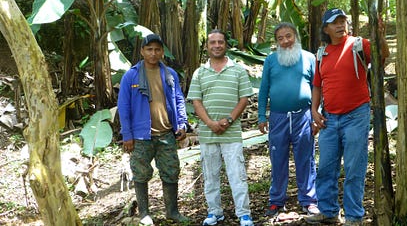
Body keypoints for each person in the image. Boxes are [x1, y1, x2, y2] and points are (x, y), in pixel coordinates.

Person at [306, 8, 388, 225]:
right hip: (329, 118)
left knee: (354, 167)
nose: (340, 25)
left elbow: (383, 57)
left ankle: (353, 216)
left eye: (343, 21)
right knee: (325, 167)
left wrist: (380, 35)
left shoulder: (359, 45)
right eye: (335, 22)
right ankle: (329, 211)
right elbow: (317, 85)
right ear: (326, 28)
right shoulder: (321, 54)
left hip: (356, 115)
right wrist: (314, 111)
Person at [117, 33, 189, 225]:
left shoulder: (169, 74)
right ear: (142, 51)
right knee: (140, 173)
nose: (153, 53)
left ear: (162, 52)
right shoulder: (131, 75)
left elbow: (179, 99)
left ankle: (172, 212)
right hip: (141, 136)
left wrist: (182, 123)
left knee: (171, 171)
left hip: (166, 133)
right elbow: (123, 108)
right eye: (149, 49)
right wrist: (127, 135)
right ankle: (144, 214)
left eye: (157, 49)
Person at [187, 29, 254, 226]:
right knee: (210, 175)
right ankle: (214, 212)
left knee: (237, 175)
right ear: (207, 47)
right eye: (213, 42)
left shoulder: (238, 70)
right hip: (208, 134)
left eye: (220, 42)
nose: (217, 45)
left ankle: (244, 214)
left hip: (231, 132)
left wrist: (229, 120)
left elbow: (244, 99)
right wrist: (210, 123)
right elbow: (196, 102)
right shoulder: (200, 72)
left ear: (226, 45)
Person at [257, 22, 319, 217]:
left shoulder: (309, 58)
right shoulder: (271, 61)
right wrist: (261, 116)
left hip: (304, 116)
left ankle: (309, 200)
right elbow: (263, 89)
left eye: (288, 36)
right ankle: (276, 201)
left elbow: (318, 88)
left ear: (296, 36)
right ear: (276, 42)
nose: (285, 41)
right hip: (278, 117)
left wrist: (316, 114)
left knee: (306, 158)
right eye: (280, 38)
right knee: (278, 159)